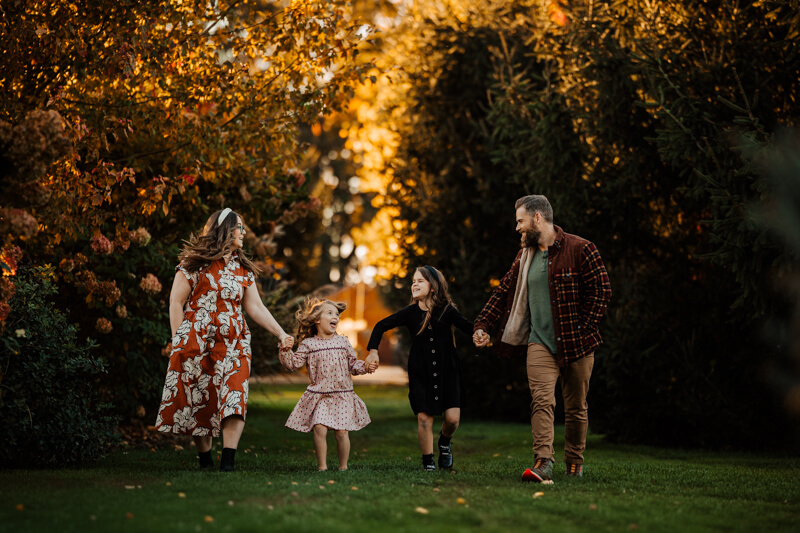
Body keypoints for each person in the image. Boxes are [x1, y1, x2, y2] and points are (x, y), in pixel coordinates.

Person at [473, 195, 611, 482]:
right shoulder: (525, 256)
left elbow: (601, 292)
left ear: (538, 218)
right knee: (542, 400)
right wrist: (483, 324)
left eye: (520, 221)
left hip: (578, 344)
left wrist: (584, 329)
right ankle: (543, 461)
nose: (517, 228)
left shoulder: (581, 248)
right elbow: (503, 292)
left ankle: (574, 461)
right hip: (540, 342)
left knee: (576, 408)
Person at [155, 208, 294, 472]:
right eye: (239, 227)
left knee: (235, 394)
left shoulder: (243, 269)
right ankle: (206, 460)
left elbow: (255, 307)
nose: (243, 232)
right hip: (198, 340)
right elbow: (176, 301)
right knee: (201, 399)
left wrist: (281, 333)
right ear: (225, 229)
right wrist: (178, 341)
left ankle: (227, 462)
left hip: (235, 342)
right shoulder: (194, 262)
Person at [366, 266, 473, 471]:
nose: (414, 284)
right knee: (424, 418)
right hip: (420, 371)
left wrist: (481, 333)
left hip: (447, 371)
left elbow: (468, 327)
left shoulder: (447, 310)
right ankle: (428, 463)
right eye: (413, 281)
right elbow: (380, 325)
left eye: (420, 281)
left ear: (433, 287)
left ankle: (444, 442)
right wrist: (373, 351)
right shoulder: (410, 313)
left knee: (452, 419)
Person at [279, 298, 375, 471]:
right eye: (330, 313)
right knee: (319, 428)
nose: (335, 317)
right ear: (317, 319)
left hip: (342, 394)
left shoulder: (343, 342)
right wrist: (285, 350)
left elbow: (353, 365)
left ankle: (343, 467)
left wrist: (366, 367)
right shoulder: (309, 344)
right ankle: (322, 467)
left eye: (337, 315)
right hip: (320, 395)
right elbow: (293, 364)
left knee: (341, 432)